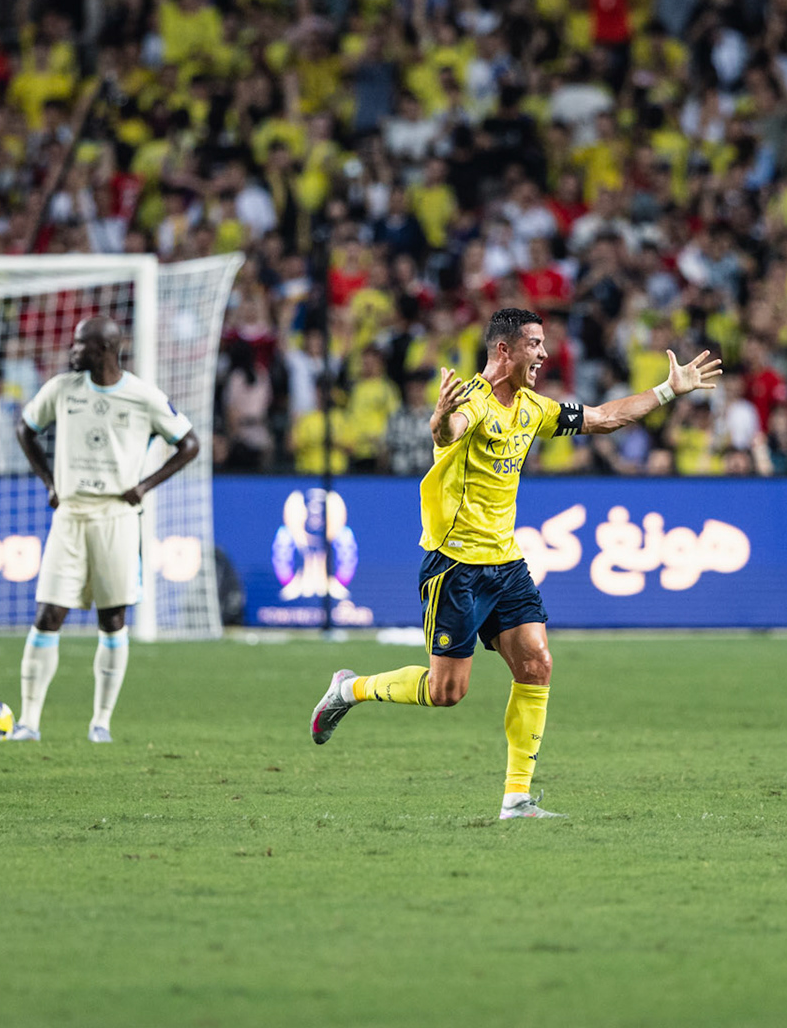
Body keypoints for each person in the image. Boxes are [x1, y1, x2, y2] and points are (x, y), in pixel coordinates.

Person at [308, 307, 721, 819]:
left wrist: (667, 391)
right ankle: (349, 689)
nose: (544, 354)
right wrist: (439, 421)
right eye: (535, 344)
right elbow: (450, 431)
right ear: (504, 350)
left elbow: (605, 417)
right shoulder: (476, 403)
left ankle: (517, 799)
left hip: (506, 564)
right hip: (455, 566)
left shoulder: (532, 407)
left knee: (537, 663)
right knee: (446, 693)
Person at [11, 316, 201, 743]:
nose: (72, 351)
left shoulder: (143, 397)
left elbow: (189, 444)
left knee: (112, 618)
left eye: (79, 345)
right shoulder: (61, 389)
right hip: (71, 515)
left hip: (117, 517)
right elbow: (25, 428)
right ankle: (28, 722)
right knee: (48, 614)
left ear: (104, 351)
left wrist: (145, 486)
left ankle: (101, 723)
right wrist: (49, 481)